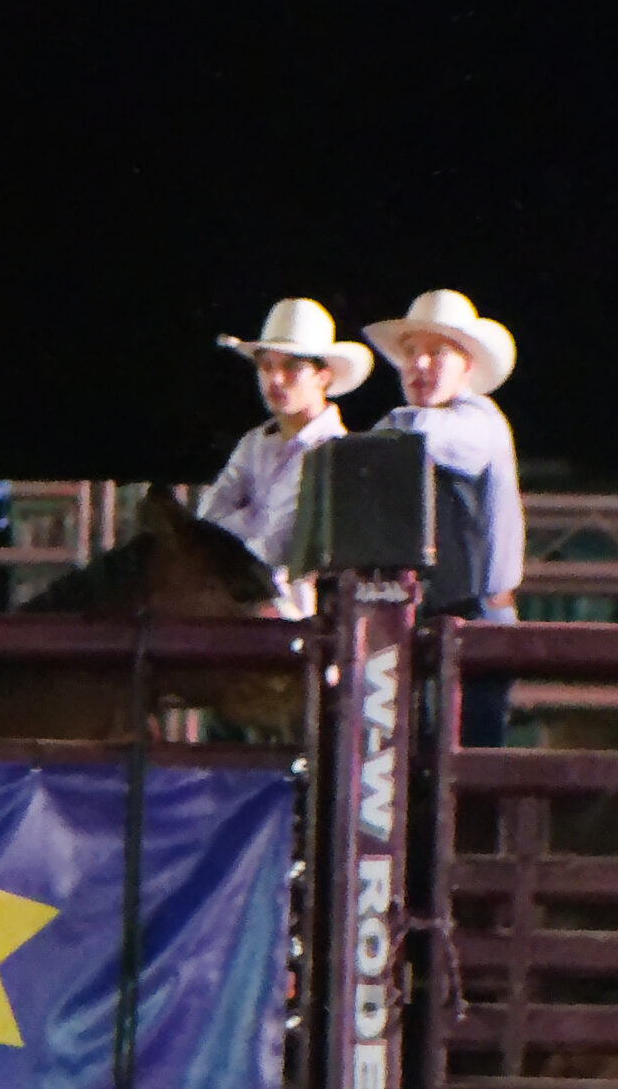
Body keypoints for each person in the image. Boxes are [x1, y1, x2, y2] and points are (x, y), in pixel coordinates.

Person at [364, 289, 522, 747]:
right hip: (431, 613)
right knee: (428, 751)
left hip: (478, 613)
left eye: (437, 353)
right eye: (412, 353)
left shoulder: (478, 419)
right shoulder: (416, 424)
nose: (420, 365)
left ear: (466, 366)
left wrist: (388, 430)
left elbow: (437, 442)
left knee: (470, 749)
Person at [200, 298, 372, 617]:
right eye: (266, 366)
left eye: (291, 367)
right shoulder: (255, 442)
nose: (275, 379)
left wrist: (238, 524)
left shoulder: (337, 454)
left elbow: (274, 548)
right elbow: (208, 520)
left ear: (323, 376)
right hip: (245, 607)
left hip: (295, 623)